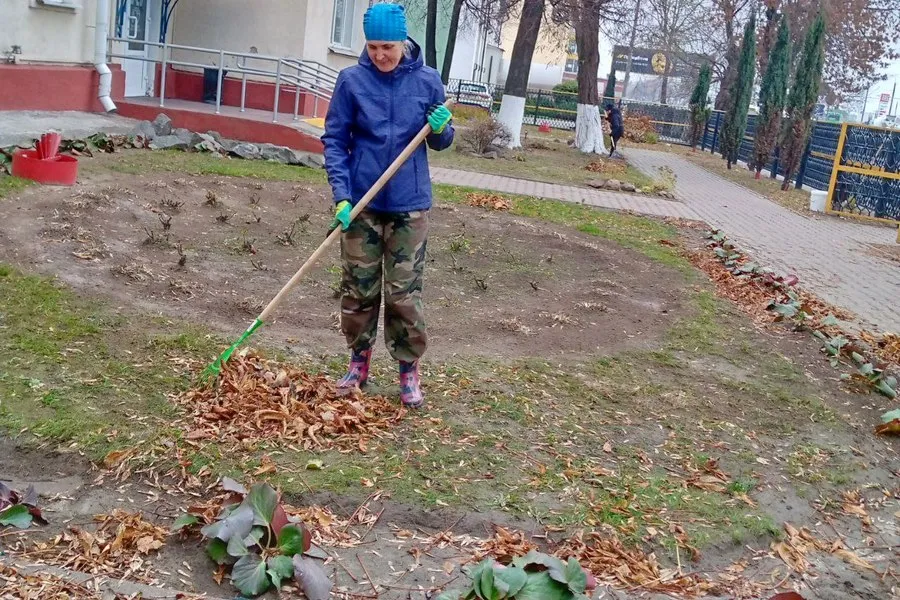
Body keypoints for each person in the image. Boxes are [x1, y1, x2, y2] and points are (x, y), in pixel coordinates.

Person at [321, 3, 454, 409]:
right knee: (358, 289)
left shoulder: (428, 81)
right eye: (373, 46)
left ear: (403, 42)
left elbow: (441, 141)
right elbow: (334, 140)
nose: (380, 55)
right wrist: (342, 196)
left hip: (409, 205)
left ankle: (408, 369)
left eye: (388, 47)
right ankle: (358, 361)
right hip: (361, 203)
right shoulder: (352, 81)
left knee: (403, 294)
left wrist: (442, 127)